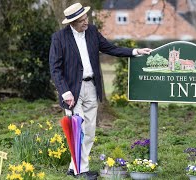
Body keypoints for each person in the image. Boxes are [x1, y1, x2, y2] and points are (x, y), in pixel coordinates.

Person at [49, 2, 152, 179]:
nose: (85, 22)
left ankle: (74, 167)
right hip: (72, 92)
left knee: (89, 131)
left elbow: (110, 48)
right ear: (72, 22)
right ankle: (82, 171)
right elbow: (55, 68)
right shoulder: (59, 38)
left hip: (91, 88)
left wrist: (135, 51)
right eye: (81, 20)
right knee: (77, 130)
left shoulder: (92, 32)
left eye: (86, 18)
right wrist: (64, 92)